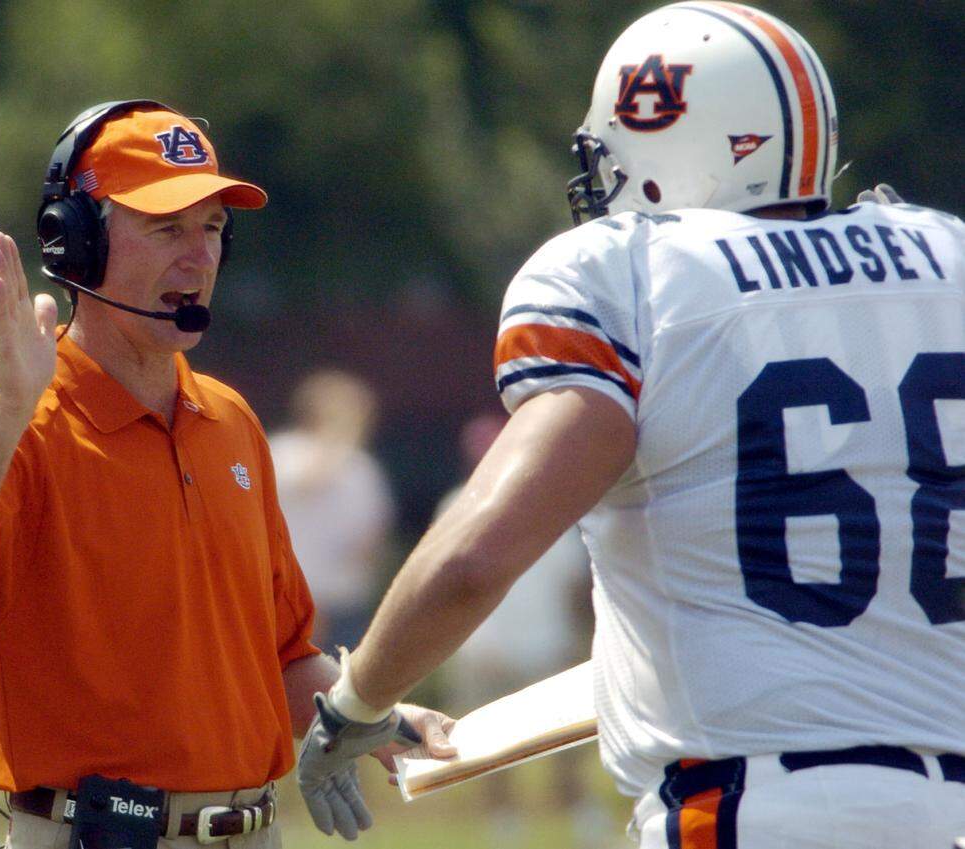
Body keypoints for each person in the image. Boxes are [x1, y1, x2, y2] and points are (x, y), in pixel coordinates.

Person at [296, 4, 965, 848]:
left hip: (752, 804)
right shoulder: (941, 262)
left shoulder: (638, 278)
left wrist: (357, 700)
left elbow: (476, 556)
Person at [0, 100, 451, 849]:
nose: (199, 256)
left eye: (211, 228)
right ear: (76, 244)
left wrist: (372, 712)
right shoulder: (23, 424)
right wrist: (4, 416)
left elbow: (278, 661)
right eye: (167, 227)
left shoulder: (231, 421)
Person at [438, 413, 609, 846]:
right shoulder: (459, 504)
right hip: (484, 647)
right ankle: (505, 828)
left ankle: (584, 821)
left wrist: (579, 636)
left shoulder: (550, 507)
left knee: (566, 751)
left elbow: (573, 581)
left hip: (544, 642)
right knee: (486, 751)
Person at [269, 369, 395, 653]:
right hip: (292, 601)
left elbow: (373, 535)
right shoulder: (284, 452)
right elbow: (311, 478)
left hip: (345, 603)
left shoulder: (362, 467)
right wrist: (339, 438)